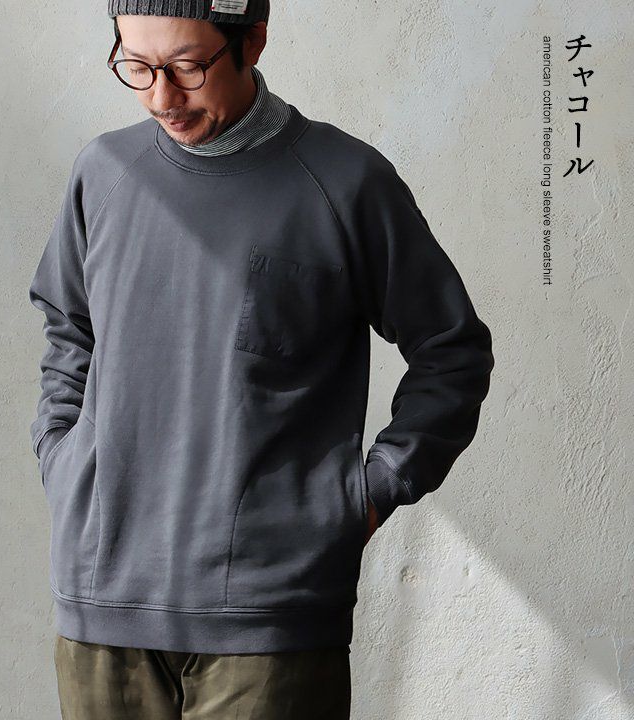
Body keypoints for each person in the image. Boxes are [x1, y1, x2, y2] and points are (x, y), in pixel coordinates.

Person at [27, 1, 495, 717]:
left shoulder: (344, 183)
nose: (161, 96)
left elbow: (451, 352)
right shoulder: (105, 171)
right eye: (137, 66)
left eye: (187, 67)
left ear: (253, 41)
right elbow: (69, 329)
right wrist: (63, 460)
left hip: (271, 621)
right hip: (100, 606)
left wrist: (367, 496)